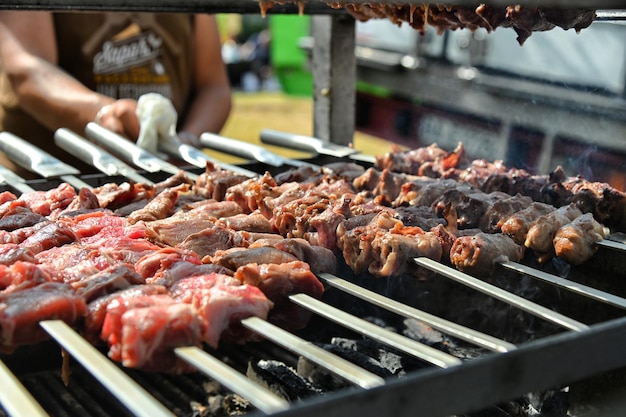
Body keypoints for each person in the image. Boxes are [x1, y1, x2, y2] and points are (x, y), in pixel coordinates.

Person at [0, 11, 232, 176]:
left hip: (165, 181)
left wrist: (184, 143)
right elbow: (28, 68)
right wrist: (104, 114)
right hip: (51, 184)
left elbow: (213, 87)